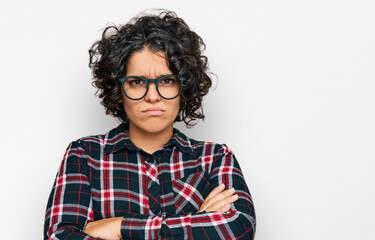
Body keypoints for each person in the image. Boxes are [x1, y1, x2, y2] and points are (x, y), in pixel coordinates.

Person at [44, 10, 256, 240]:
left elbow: (240, 229)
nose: (152, 96)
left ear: (183, 89)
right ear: (118, 91)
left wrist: (119, 227)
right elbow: (60, 236)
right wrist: (198, 219)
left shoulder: (214, 158)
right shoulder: (85, 155)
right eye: (136, 82)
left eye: (167, 81)